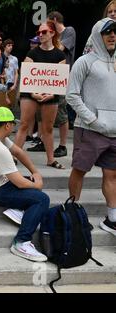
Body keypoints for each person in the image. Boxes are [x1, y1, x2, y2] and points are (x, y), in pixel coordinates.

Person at [0, 107, 49, 262]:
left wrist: (35, 173)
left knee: (31, 183)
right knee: (41, 199)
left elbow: (19, 152)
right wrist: (37, 185)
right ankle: (21, 242)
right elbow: (19, 183)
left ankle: (20, 210)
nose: (14, 126)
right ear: (7, 125)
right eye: (13, 123)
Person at [66, 18, 116, 236]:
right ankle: (72, 211)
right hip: (89, 129)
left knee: (112, 175)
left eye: (115, 32)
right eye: (107, 33)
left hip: (114, 132)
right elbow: (71, 95)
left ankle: (113, 218)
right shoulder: (84, 62)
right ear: (98, 35)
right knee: (79, 171)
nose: (112, 35)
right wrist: (93, 120)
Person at [14, 22, 66, 170]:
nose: (41, 35)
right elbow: (26, 75)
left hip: (51, 95)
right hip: (31, 94)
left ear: (52, 33)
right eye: (39, 32)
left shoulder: (59, 55)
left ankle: (51, 159)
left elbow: (60, 80)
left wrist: (51, 94)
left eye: (44, 32)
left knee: (48, 128)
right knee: (24, 124)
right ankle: (13, 156)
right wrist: (32, 93)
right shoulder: (32, 53)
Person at [47, 11, 76, 157]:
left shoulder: (68, 31)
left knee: (62, 110)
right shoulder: (54, 36)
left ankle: (63, 145)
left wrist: (52, 37)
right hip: (51, 77)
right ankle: (44, 140)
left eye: (49, 23)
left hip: (63, 77)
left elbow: (60, 49)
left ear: (54, 20)